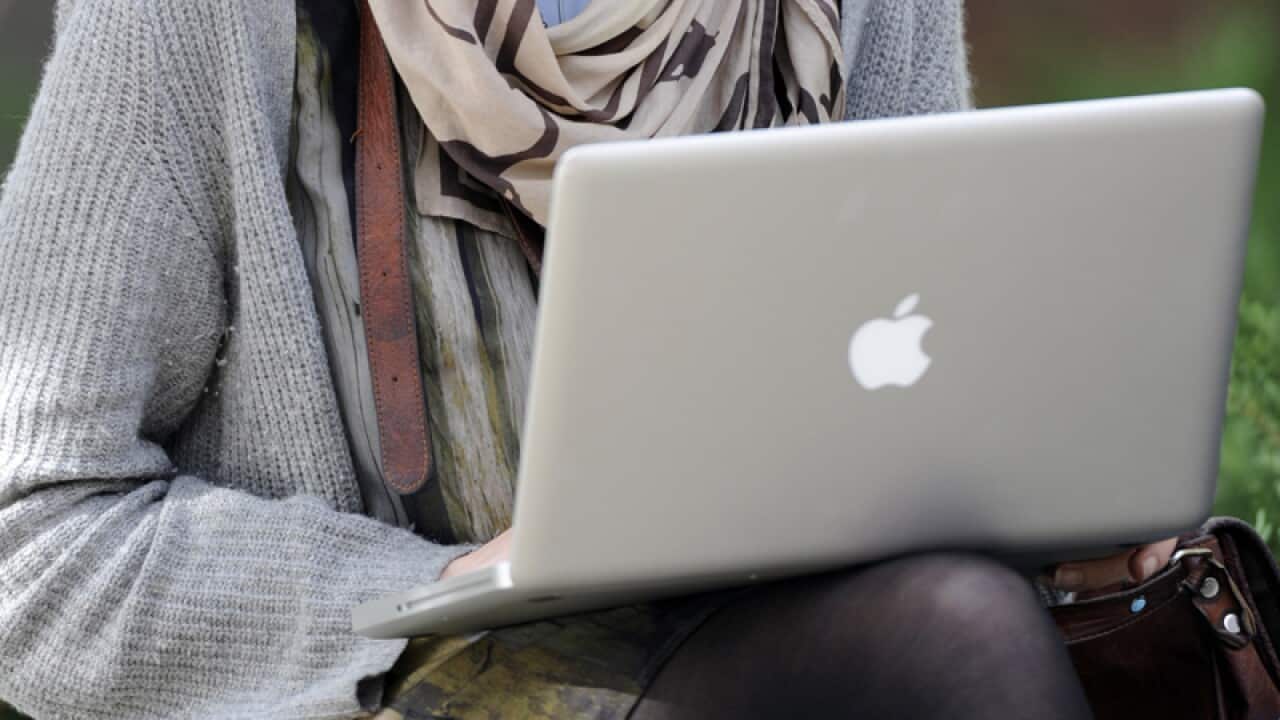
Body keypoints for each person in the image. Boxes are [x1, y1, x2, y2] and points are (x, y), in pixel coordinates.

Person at [0, 1, 1177, 718]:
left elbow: (908, 375)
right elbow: (30, 553)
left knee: (961, 617)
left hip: (791, 645)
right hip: (391, 691)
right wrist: (424, 599)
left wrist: (1038, 516)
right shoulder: (192, 18)